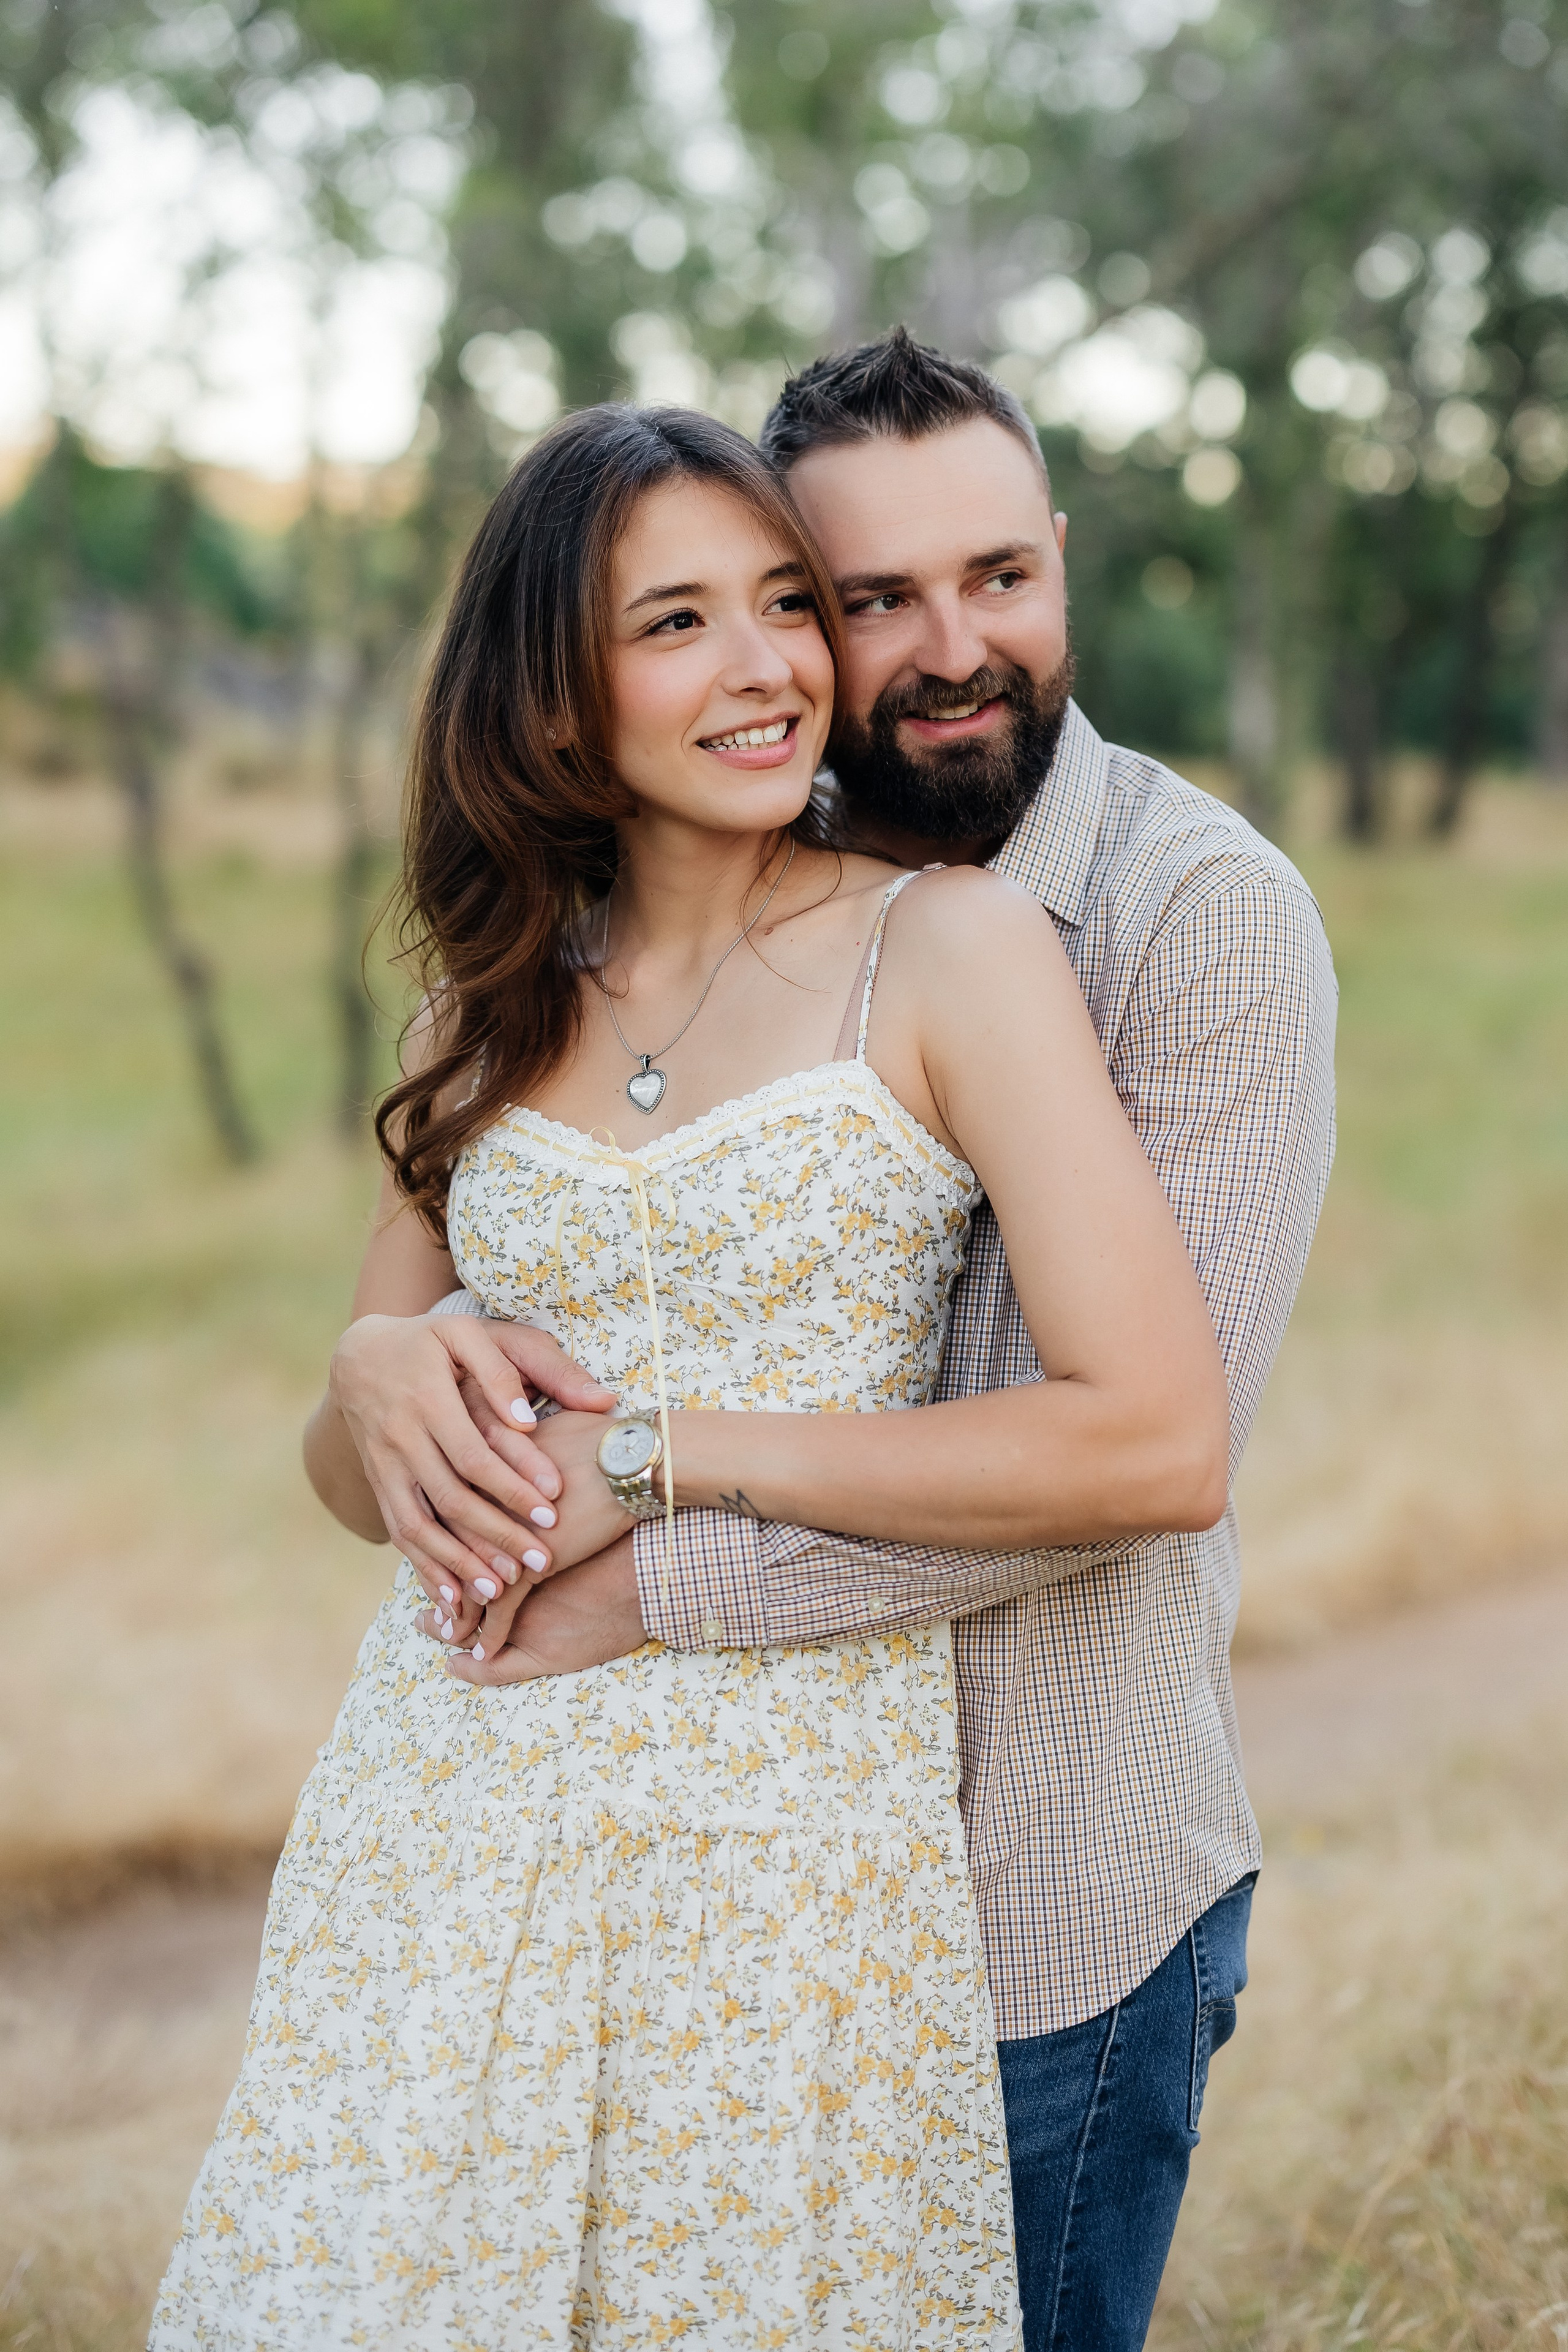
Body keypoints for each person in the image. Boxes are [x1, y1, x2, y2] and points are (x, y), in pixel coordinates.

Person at [151, 398, 1233, 2350]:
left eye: (785, 608)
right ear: (556, 689)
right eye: (677, 624)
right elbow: (354, 1475)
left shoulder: (953, 952)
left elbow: (1153, 1436)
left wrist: (652, 1456)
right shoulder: (489, 991)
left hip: (783, 1854)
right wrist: (374, 1367)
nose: (769, 672)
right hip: (444, 1815)